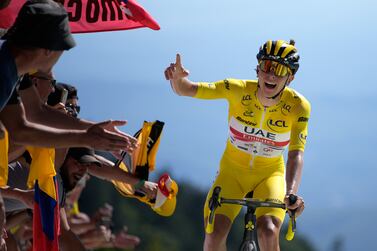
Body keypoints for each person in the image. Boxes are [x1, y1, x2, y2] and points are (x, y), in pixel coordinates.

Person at [164, 39, 310, 251]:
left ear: (291, 77)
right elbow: (187, 89)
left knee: (269, 231)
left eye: (279, 70)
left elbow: (296, 154)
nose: (270, 75)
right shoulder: (237, 89)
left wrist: (291, 193)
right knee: (214, 237)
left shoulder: (299, 106)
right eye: (266, 67)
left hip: (270, 176)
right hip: (232, 172)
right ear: (257, 69)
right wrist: (177, 81)